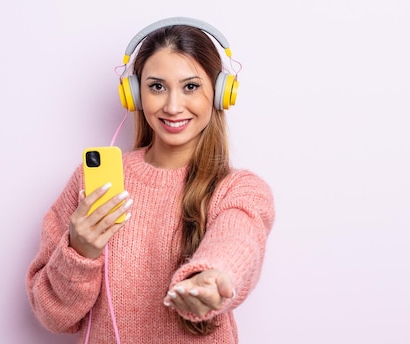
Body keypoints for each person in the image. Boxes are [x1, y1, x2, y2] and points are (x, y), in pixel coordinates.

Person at [26, 17, 275, 343]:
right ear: (135, 94)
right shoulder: (93, 183)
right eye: (157, 86)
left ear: (219, 93)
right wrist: (80, 253)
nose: (173, 106)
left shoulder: (239, 189)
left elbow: (237, 237)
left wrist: (212, 277)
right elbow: (53, 315)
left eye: (191, 86)